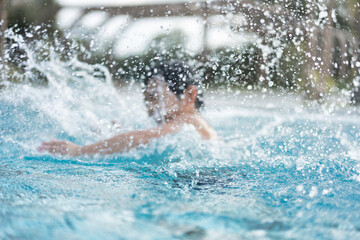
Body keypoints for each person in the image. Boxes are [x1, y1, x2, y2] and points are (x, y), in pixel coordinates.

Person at [38, 61, 217, 157]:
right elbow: (149, 139)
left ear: (189, 96)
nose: (150, 108)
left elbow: (142, 137)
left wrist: (81, 151)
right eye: (146, 100)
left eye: (155, 98)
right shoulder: (183, 127)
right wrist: (114, 134)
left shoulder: (189, 120)